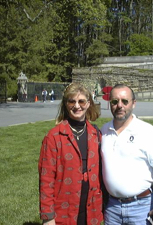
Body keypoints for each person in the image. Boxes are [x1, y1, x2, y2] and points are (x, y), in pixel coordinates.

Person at [101, 84, 153, 225]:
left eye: (125, 101)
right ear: (110, 104)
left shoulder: (146, 131)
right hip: (112, 207)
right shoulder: (104, 131)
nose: (119, 105)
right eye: (115, 101)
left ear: (133, 104)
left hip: (141, 208)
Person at [38, 83, 103, 225]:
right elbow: (46, 178)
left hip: (91, 210)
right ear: (66, 104)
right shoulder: (54, 137)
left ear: (88, 103)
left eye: (81, 101)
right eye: (72, 101)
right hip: (64, 211)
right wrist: (48, 216)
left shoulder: (95, 134)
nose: (77, 106)